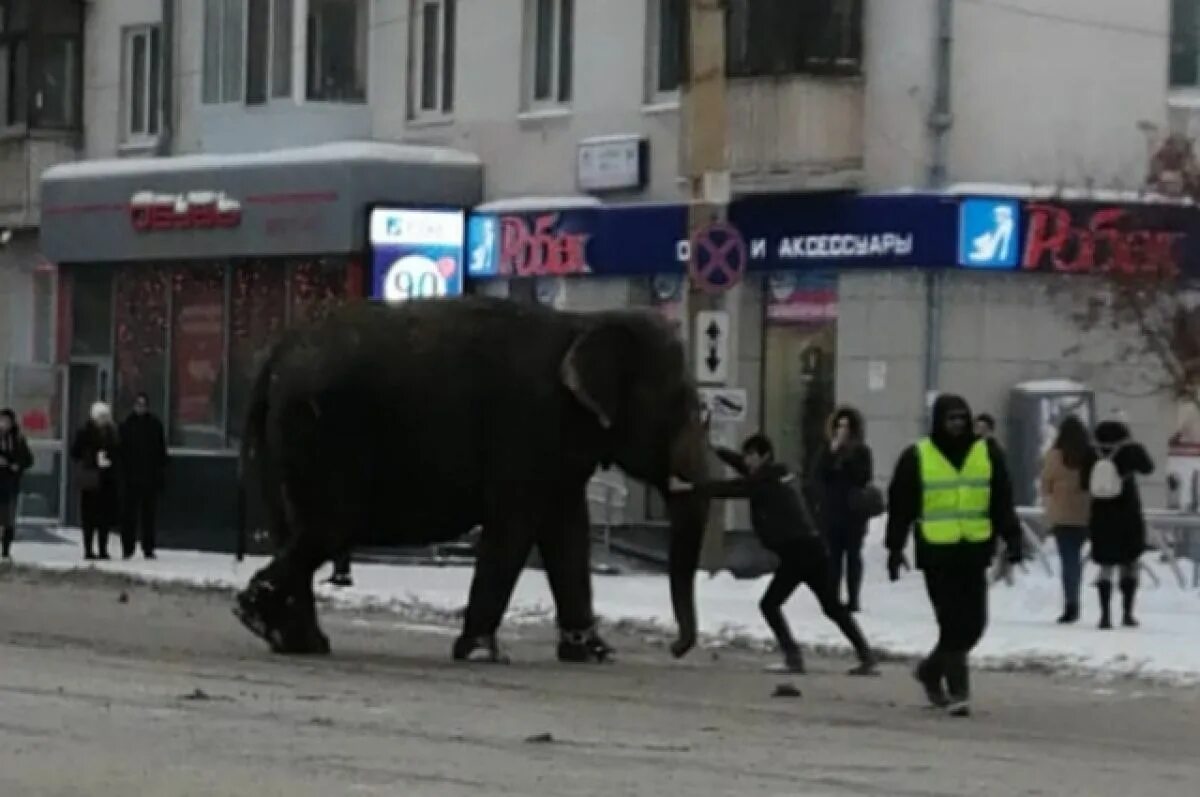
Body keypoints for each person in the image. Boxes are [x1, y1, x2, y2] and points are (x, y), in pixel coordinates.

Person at [671, 434, 877, 676]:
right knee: (832, 607)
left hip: (797, 553)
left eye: (751, 456)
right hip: (813, 549)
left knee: (770, 604)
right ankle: (865, 656)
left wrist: (690, 487)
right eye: (746, 456)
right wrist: (717, 450)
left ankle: (793, 658)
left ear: (763, 456)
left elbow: (732, 487)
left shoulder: (763, 482)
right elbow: (745, 471)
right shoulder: (779, 473)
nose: (746, 460)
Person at [885, 394, 1022, 717]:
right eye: (951, 419)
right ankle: (959, 692)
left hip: (974, 549)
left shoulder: (986, 452)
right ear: (938, 421)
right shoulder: (918, 455)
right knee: (951, 623)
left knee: (975, 623)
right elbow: (901, 506)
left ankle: (931, 670)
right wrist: (894, 548)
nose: (958, 425)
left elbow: (1001, 498)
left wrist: (1012, 537)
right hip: (937, 551)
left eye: (962, 418)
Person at [1087, 418, 1153, 630]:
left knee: (1105, 565)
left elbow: (1082, 481)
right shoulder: (1130, 451)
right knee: (1130, 562)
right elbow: (1148, 468)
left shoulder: (1091, 453)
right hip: (1127, 514)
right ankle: (1127, 613)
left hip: (1101, 514)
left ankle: (1105, 616)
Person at [810, 406, 874, 612]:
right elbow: (818, 476)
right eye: (839, 426)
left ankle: (853, 598)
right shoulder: (826, 450)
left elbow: (863, 477)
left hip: (853, 511)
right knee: (833, 556)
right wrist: (833, 452)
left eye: (847, 426)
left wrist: (847, 460)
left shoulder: (861, 451)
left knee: (853, 555)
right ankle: (833, 597)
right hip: (832, 510)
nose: (842, 430)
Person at [1039, 414, 1094, 625]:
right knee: (1082, 558)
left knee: (1068, 560)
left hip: (1062, 516)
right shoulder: (1090, 455)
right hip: (1086, 514)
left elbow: (1046, 485)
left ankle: (1071, 603)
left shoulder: (1054, 456)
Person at [119, 392, 167, 560]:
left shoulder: (154, 425)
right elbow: (121, 453)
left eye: (143, 404)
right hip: (131, 478)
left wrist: (160, 473)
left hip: (149, 477)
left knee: (149, 515)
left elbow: (161, 452)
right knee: (129, 515)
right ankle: (127, 547)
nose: (140, 407)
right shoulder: (126, 425)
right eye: (138, 404)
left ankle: (148, 547)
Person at [71, 402, 121, 561]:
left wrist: (111, 462)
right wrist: (90, 457)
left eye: (105, 417)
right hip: (90, 479)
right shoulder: (85, 432)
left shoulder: (112, 432)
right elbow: (75, 452)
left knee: (104, 517)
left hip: (107, 479)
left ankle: (103, 549)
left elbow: (118, 451)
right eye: (100, 417)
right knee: (89, 517)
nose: (103, 420)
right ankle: (88, 549)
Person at [0, 409, 34, 560]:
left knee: (8, 518)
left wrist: (17, 465)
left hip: (10, 483)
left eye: (7, 421)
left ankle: (6, 550)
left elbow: (28, 460)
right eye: (2, 420)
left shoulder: (18, 439)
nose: (4, 424)